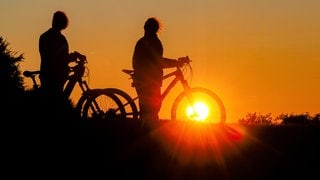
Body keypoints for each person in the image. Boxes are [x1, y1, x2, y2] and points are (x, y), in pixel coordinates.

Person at [132, 17, 186, 126]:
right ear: (156, 29)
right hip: (150, 78)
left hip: (143, 77)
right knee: (152, 107)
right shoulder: (153, 42)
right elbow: (158, 61)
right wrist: (175, 63)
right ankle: (146, 130)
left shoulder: (142, 41)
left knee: (149, 107)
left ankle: (144, 128)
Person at [39, 11, 79, 99]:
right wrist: (71, 57)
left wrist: (70, 57)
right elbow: (56, 57)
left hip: (49, 74)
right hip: (54, 76)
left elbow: (56, 56)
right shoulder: (59, 38)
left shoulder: (44, 36)